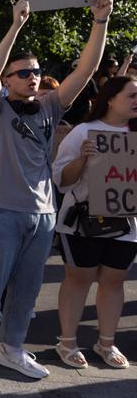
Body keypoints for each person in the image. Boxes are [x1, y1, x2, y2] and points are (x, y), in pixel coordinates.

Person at [0, 0, 114, 387]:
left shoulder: (48, 107)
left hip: (43, 214)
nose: (32, 77)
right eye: (23, 73)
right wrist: (16, 25)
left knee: (26, 293)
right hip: (1, 213)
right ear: (9, 80)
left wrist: (100, 21)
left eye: (36, 72)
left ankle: (12, 349)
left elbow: (86, 70)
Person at [52, 75, 137, 370]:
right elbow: (60, 179)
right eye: (132, 95)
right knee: (79, 279)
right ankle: (67, 342)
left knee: (114, 281)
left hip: (126, 223)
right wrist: (83, 160)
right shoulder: (85, 132)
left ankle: (106, 343)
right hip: (83, 222)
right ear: (110, 99)